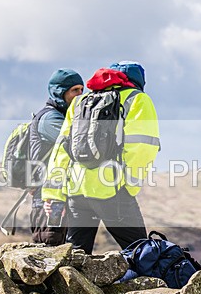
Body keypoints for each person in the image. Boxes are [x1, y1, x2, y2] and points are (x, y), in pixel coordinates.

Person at [41, 62, 160, 254]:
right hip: (112, 190)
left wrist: (53, 194)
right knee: (142, 253)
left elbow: (62, 150)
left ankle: (71, 285)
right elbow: (142, 149)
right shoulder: (137, 99)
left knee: (76, 257)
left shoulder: (81, 101)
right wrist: (128, 186)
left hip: (77, 192)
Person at [28, 69, 84, 245]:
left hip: (57, 195)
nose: (80, 95)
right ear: (60, 92)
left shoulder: (63, 116)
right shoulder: (50, 119)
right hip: (48, 199)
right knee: (49, 250)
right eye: (75, 90)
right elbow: (76, 144)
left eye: (82, 90)